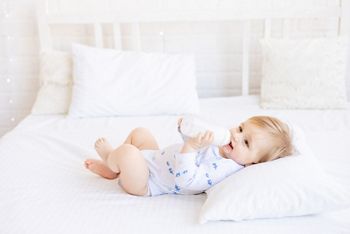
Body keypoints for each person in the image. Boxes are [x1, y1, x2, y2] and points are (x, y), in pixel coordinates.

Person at [84, 115, 293, 196]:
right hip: (155, 158)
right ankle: (116, 170)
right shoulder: (224, 144)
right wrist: (187, 131)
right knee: (141, 133)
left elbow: (185, 179)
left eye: (246, 142)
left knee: (128, 153)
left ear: (254, 163)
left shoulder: (226, 167)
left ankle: (111, 160)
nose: (236, 137)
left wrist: (191, 147)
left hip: (148, 181)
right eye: (240, 128)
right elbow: (189, 142)